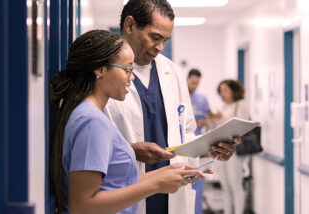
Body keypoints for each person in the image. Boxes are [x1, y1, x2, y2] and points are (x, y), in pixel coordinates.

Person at [104, 1, 240, 214]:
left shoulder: (172, 72)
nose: (160, 48)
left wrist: (211, 148)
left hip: (171, 196)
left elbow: (185, 132)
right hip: (123, 195)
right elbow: (92, 142)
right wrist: (131, 150)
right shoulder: (102, 72)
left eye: (165, 40)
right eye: (155, 37)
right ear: (130, 25)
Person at [49, 30, 203, 214]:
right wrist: (156, 184)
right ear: (100, 70)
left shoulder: (89, 115)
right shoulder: (91, 122)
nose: (132, 77)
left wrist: (166, 173)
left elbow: (114, 185)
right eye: (127, 69)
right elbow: (83, 205)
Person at [207, 80, 249, 214]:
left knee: (235, 185)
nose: (222, 94)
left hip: (234, 151)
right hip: (221, 150)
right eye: (220, 91)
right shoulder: (223, 107)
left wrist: (220, 118)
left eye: (225, 90)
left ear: (233, 90)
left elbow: (240, 127)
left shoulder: (241, 104)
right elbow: (214, 128)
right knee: (225, 186)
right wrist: (211, 118)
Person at [186, 68, 210, 214]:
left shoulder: (202, 99)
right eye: (192, 82)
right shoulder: (179, 96)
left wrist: (202, 122)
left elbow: (207, 119)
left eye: (197, 83)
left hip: (199, 146)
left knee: (198, 183)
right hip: (184, 146)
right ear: (186, 79)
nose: (194, 86)